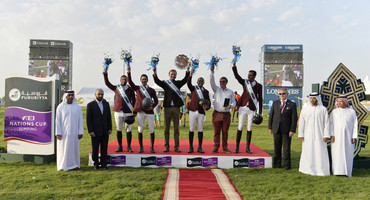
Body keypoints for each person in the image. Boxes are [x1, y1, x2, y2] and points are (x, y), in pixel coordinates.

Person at [153, 65, 190, 152]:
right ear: (169, 75)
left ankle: (176, 146)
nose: (173, 75)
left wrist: (187, 71)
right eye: (171, 74)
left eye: (174, 74)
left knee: (176, 128)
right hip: (167, 108)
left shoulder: (178, 83)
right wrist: (154, 72)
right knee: (166, 128)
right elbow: (157, 81)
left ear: (176, 75)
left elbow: (185, 80)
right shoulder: (166, 83)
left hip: (176, 108)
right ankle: (166, 146)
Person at [232, 62, 263, 153]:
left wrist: (260, 111)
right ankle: (237, 147)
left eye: (250, 75)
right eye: (248, 75)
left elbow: (260, 99)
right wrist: (234, 67)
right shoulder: (245, 83)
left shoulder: (259, 86)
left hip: (251, 109)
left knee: (249, 128)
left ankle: (247, 147)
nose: (248, 77)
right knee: (240, 127)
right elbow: (237, 77)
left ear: (254, 76)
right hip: (242, 108)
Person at [127, 65, 158, 153]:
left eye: (145, 79)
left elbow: (156, 100)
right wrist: (129, 72)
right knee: (140, 130)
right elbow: (130, 82)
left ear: (147, 80)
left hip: (149, 112)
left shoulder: (152, 90)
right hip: (140, 112)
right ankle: (141, 147)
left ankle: (152, 147)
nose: (144, 80)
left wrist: (153, 106)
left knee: (151, 129)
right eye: (142, 79)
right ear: (140, 80)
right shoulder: (137, 88)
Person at [104, 67, 136, 152]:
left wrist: (135, 111)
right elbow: (107, 83)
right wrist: (105, 73)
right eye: (122, 79)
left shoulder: (130, 89)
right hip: (118, 112)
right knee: (119, 129)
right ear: (120, 80)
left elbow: (134, 100)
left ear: (127, 80)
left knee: (128, 130)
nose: (124, 80)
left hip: (128, 112)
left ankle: (129, 146)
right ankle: (120, 146)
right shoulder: (116, 88)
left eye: (125, 79)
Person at [298, 93, 330, 176]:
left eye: (314, 98)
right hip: (307, 135)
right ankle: (307, 169)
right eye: (311, 98)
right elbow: (302, 123)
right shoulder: (305, 109)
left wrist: (326, 135)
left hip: (320, 135)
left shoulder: (323, 109)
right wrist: (300, 134)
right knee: (308, 151)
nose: (312, 100)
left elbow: (327, 123)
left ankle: (320, 170)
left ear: (318, 99)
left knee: (320, 152)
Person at [268, 88, 297, 170]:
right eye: (280, 94)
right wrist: (270, 127)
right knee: (277, 148)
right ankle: (277, 165)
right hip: (276, 129)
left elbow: (294, 118)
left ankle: (287, 165)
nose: (282, 95)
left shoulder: (292, 104)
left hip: (287, 130)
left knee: (286, 149)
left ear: (287, 94)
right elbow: (271, 116)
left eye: (283, 93)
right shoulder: (275, 103)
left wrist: (292, 130)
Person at [329, 95, 358, 177]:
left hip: (348, 137)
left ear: (345, 102)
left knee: (348, 153)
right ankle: (337, 171)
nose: (339, 103)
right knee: (337, 153)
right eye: (338, 101)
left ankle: (348, 172)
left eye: (341, 101)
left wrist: (354, 136)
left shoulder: (352, 112)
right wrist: (332, 135)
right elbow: (331, 124)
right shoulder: (334, 112)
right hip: (336, 137)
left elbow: (355, 124)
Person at [55, 90, 84, 171]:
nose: (71, 97)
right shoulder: (60, 107)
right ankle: (62, 166)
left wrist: (80, 132)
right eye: (69, 95)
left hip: (74, 133)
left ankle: (75, 165)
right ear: (65, 96)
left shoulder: (77, 107)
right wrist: (58, 132)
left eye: (72, 95)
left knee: (74, 149)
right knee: (63, 149)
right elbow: (57, 121)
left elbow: (80, 120)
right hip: (63, 133)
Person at [210, 65, 236, 153]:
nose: (221, 83)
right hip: (217, 113)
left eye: (223, 81)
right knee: (216, 132)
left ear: (226, 82)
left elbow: (234, 102)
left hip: (226, 114)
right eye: (220, 81)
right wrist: (212, 72)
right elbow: (211, 82)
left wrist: (231, 106)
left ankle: (225, 147)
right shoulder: (216, 89)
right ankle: (216, 147)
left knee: (225, 132)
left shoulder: (230, 91)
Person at [86, 89, 112, 170]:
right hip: (95, 131)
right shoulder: (90, 105)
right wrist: (90, 131)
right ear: (95, 94)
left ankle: (104, 164)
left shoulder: (106, 104)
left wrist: (110, 128)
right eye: (99, 94)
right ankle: (96, 163)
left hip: (105, 130)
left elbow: (109, 117)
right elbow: (88, 119)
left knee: (104, 148)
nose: (100, 96)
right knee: (95, 148)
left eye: (102, 94)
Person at [186, 68, 211, 153]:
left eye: (202, 81)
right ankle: (190, 146)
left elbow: (209, 102)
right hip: (192, 111)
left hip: (201, 112)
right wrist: (191, 74)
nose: (200, 82)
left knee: (200, 130)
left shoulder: (206, 92)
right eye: (199, 81)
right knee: (191, 129)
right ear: (197, 82)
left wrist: (207, 107)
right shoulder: (193, 89)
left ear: (203, 82)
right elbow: (188, 83)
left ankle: (200, 147)